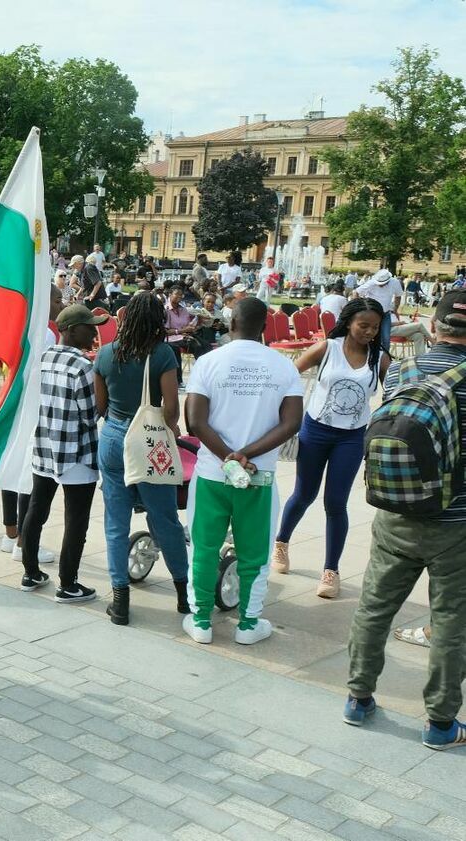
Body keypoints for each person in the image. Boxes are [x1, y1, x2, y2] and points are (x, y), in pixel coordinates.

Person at [344, 290, 466, 749]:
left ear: (434, 328)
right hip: (456, 522)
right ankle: (440, 724)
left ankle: (358, 697)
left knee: (374, 608)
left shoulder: (401, 369)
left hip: (396, 511)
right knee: (453, 620)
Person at [183, 297, 303, 645]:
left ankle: (202, 620)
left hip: (211, 474)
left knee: (204, 548)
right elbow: (291, 422)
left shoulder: (208, 362)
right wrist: (247, 454)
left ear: (231, 324)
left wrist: (227, 456)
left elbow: (195, 421)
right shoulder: (282, 367)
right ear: (263, 328)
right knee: (255, 553)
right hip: (259, 476)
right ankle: (249, 624)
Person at [273, 299, 388, 598]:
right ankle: (281, 543)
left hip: (351, 438)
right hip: (316, 431)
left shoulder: (379, 359)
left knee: (336, 503)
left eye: (374, 327)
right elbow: (288, 376)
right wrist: (286, 414)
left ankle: (330, 570)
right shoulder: (327, 349)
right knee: (304, 495)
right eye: (364, 326)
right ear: (349, 322)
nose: (369, 332)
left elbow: (393, 394)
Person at [93, 292, 191, 624]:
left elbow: (100, 407)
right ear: (156, 320)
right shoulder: (163, 354)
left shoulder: (105, 354)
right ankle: (182, 593)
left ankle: (120, 600)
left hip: (112, 439)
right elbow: (171, 410)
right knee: (165, 520)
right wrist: (172, 430)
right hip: (147, 443)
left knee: (116, 523)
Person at [18, 304, 105, 601]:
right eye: (88, 326)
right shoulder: (83, 366)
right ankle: (68, 584)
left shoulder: (42, 358)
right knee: (76, 519)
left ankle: (30, 572)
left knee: (36, 511)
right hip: (77, 453)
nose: (95, 331)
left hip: (43, 448)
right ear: (68, 330)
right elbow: (91, 414)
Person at [355, 268, 401, 350]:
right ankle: (366, 354)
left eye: (382, 283)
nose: (380, 285)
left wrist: (395, 308)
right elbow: (356, 292)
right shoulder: (371, 283)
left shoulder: (395, 283)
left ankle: (385, 359)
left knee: (386, 338)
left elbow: (398, 295)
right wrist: (357, 306)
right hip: (372, 313)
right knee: (368, 335)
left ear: (388, 281)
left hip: (385, 314)